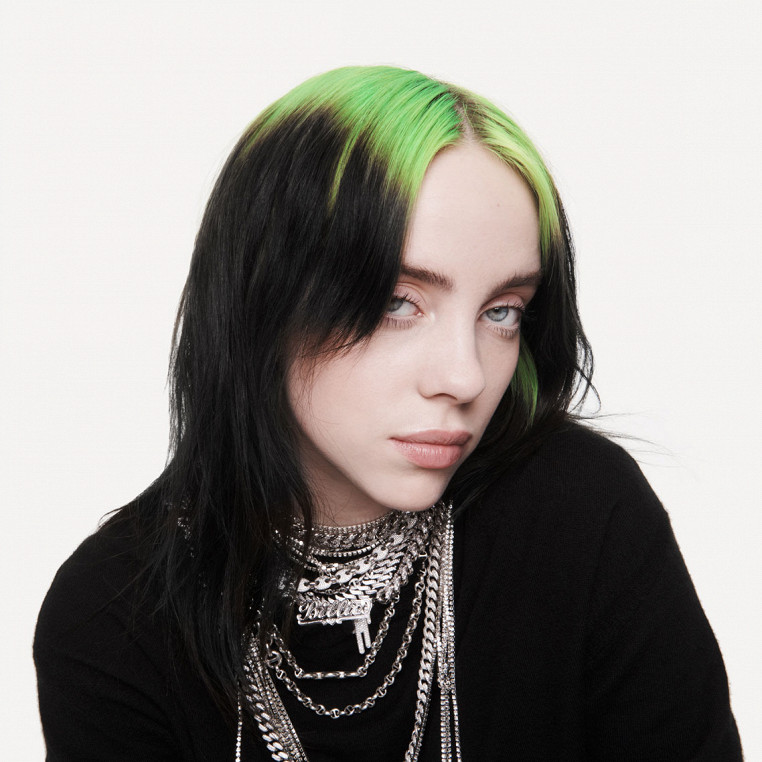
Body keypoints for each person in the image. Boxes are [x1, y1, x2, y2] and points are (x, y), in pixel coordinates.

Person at [33, 65, 743, 761]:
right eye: (398, 302)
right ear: (262, 294)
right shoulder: (112, 618)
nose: (465, 376)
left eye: (502, 311)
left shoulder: (580, 514)